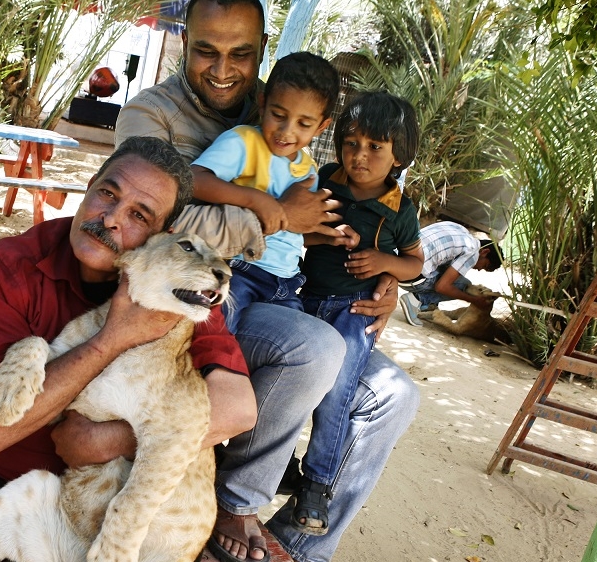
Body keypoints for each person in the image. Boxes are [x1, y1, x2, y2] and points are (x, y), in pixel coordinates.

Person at [116, 1, 420, 561]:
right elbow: (152, 223)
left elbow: (326, 215)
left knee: (391, 397)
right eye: (207, 50)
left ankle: (298, 545)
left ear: (261, 55)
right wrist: (275, 213)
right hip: (207, 291)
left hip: (285, 289)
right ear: (185, 40)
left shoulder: (287, 119)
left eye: (242, 54)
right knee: (316, 349)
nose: (223, 68)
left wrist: (380, 274)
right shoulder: (151, 118)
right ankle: (226, 499)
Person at [0, 136, 259, 536]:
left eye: (139, 216)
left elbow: (237, 408)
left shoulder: (175, 287)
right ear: (89, 184)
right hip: (13, 483)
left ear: (163, 236)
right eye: (107, 193)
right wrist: (112, 339)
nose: (111, 219)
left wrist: (106, 440)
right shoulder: (5, 267)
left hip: (112, 493)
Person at [291, 91, 424, 536]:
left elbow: (414, 262)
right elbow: (295, 235)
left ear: (399, 157)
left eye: (375, 148)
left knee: (338, 394)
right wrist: (323, 239)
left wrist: (384, 263)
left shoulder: (400, 211)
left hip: (354, 310)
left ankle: (317, 483)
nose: (359, 156)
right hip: (301, 296)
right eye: (352, 143)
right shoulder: (324, 181)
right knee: (287, 383)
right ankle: (277, 468)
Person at [190, 51, 339, 333]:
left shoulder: (309, 170)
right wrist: (257, 200)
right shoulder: (244, 142)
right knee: (213, 336)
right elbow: (194, 179)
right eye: (278, 115)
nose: (286, 131)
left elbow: (293, 227)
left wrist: (329, 236)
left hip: (286, 281)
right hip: (239, 269)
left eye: (303, 124)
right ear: (262, 103)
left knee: (302, 342)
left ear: (321, 126)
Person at [398, 221, 503, 325]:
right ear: (485, 252)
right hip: (410, 277)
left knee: (447, 270)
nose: (479, 269)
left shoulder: (459, 229)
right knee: (464, 285)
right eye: (484, 266)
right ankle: (417, 299)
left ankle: (428, 305)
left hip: (397, 261)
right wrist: (474, 300)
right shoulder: (472, 252)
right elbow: (442, 287)